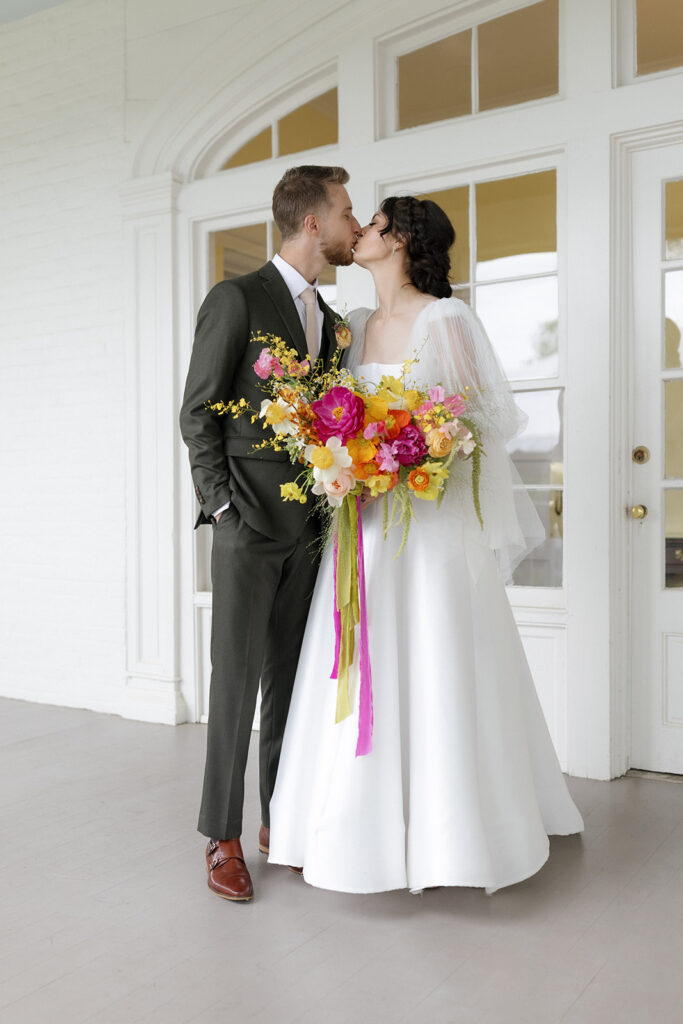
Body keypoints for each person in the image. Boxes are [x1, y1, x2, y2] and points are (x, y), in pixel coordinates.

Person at [268, 196, 584, 894]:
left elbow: (483, 419)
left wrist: (409, 455)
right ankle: (344, 829)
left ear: (403, 241)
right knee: (361, 654)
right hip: (366, 526)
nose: (362, 230)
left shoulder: (446, 318)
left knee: (436, 654)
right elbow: (330, 415)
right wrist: (345, 458)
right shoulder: (350, 326)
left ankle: (455, 837)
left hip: (428, 524)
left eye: (374, 223)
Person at [179, 165, 361, 902]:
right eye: (346, 211)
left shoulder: (336, 321)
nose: (354, 224)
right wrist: (223, 507)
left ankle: (277, 821)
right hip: (248, 524)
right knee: (234, 686)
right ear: (312, 222)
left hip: (314, 529)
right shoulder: (236, 299)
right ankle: (221, 837)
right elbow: (198, 412)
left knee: (290, 683)